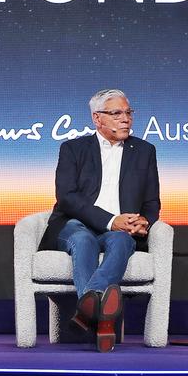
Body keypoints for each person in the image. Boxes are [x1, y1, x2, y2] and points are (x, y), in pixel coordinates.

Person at [37, 88, 161, 352]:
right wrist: (111, 219)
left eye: (128, 112)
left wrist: (145, 221)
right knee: (82, 239)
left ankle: (89, 312)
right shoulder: (73, 149)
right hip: (74, 224)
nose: (126, 118)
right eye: (117, 113)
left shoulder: (144, 151)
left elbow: (152, 202)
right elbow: (67, 198)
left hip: (120, 230)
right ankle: (100, 317)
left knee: (123, 242)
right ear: (97, 119)